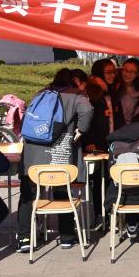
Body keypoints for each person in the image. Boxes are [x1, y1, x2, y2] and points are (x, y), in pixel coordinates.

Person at [16, 68, 93, 252]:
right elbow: (88, 110)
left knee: (28, 195)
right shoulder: (76, 95)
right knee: (62, 192)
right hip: (59, 154)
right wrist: (81, 129)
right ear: (74, 81)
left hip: (32, 154)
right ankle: (66, 237)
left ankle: (24, 239)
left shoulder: (41, 93)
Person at [118, 58, 139, 125]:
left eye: (132, 71)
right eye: (125, 70)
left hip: (132, 127)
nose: (128, 74)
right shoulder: (115, 85)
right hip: (115, 126)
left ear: (137, 74)